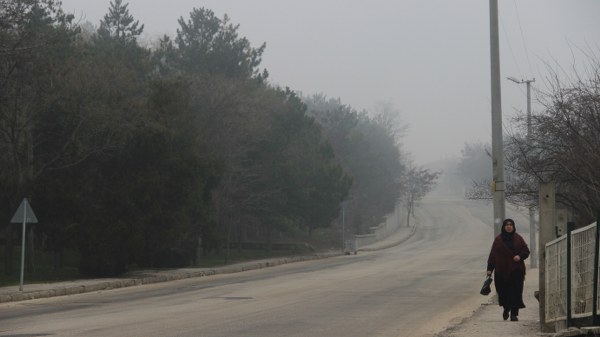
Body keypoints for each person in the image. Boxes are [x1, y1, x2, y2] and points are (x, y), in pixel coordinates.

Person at [486, 218, 530, 321]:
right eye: (506, 225)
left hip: (516, 271)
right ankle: (506, 308)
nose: (509, 226)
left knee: (515, 292)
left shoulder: (519, 238)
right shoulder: (498, 240)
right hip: (501, 271)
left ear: (513, 226)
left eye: (511, 225)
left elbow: (526, 251)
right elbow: (492, 255)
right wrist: (489, 269)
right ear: (503, 227)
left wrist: (519, 256)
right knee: (503, 292)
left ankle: (514, 314)